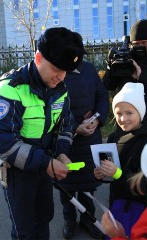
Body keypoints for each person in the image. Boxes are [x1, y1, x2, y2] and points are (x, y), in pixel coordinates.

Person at [0, 27, 85, 239]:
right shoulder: (9, 89)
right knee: (24, 230)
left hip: (44, 168)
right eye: (56, 69)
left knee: (44, 219)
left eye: (66, 70)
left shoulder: (60, 88)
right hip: (18, 173)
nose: (61, 77)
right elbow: (3, 142)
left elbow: (65, 123)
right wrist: (46, 163)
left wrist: (62, 152)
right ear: (38, 57)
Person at [94, 82, 147, 238]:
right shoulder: (113, 137)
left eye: (129, 113)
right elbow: (110, 174)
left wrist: (117, 174)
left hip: (140, 210)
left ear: (140, 113)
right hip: (117, 204)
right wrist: (100, 173)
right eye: (118, 113)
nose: (123, 118)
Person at [59, 59, 109, 239]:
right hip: (66, 138)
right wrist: (73, 128)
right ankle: (69, 220)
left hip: (90, 137)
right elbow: (52, 108)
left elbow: (102, 96)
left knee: (89, 180)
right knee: (67, 183)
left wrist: (97, 118)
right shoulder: (57, 71)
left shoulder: (88, 69)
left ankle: (88, 219)